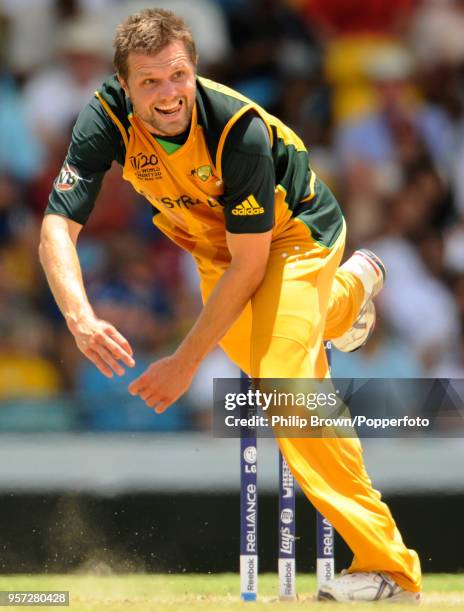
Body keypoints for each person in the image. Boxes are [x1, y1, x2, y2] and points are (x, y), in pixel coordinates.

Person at [38, 8, 421, 603]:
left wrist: (185, 362)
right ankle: (349, 295)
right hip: (215, 244)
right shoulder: (103, 118)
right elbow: (57, 226)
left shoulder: (235, 129)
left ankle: (389, 569)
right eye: (149, 82)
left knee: (285, 386)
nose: (169, 95)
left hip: (295, 238)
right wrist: (79, 315)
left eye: (178, 76)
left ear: (194, 68)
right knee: (274, 362)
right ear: (124, 83)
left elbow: (252, 267)